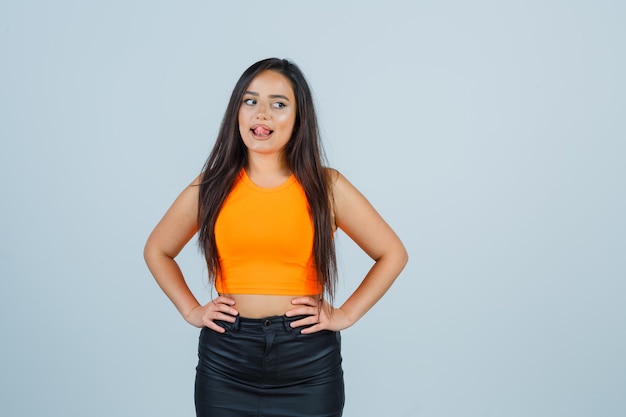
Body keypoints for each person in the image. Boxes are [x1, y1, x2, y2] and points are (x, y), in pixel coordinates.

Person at [144, 57, 408, 417]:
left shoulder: (326, 186)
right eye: (250, 101)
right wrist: (191, 309)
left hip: (308, 363)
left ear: (299, 117)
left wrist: (345, 314)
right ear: (236, 112)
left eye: (278, 104)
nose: (261, 114)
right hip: (226, 360)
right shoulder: (211, 186)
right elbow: (158, 249)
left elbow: (392, 253)